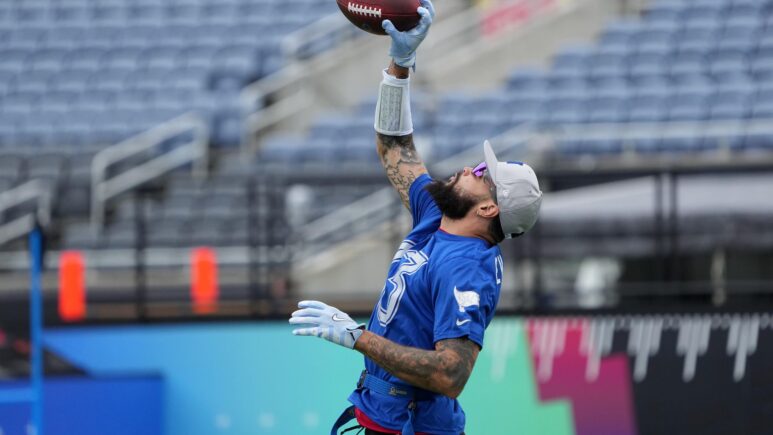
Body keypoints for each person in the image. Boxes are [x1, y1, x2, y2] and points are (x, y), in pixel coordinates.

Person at [289, 1, 542, 433]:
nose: (471, 168)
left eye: (483, 174)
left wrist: (358, 338)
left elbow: (451, 374)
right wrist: (400, 63)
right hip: (384, 413)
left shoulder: (469, 268)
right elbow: (394, 145)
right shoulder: (437, 215)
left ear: (489, 208)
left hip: (414, 424)